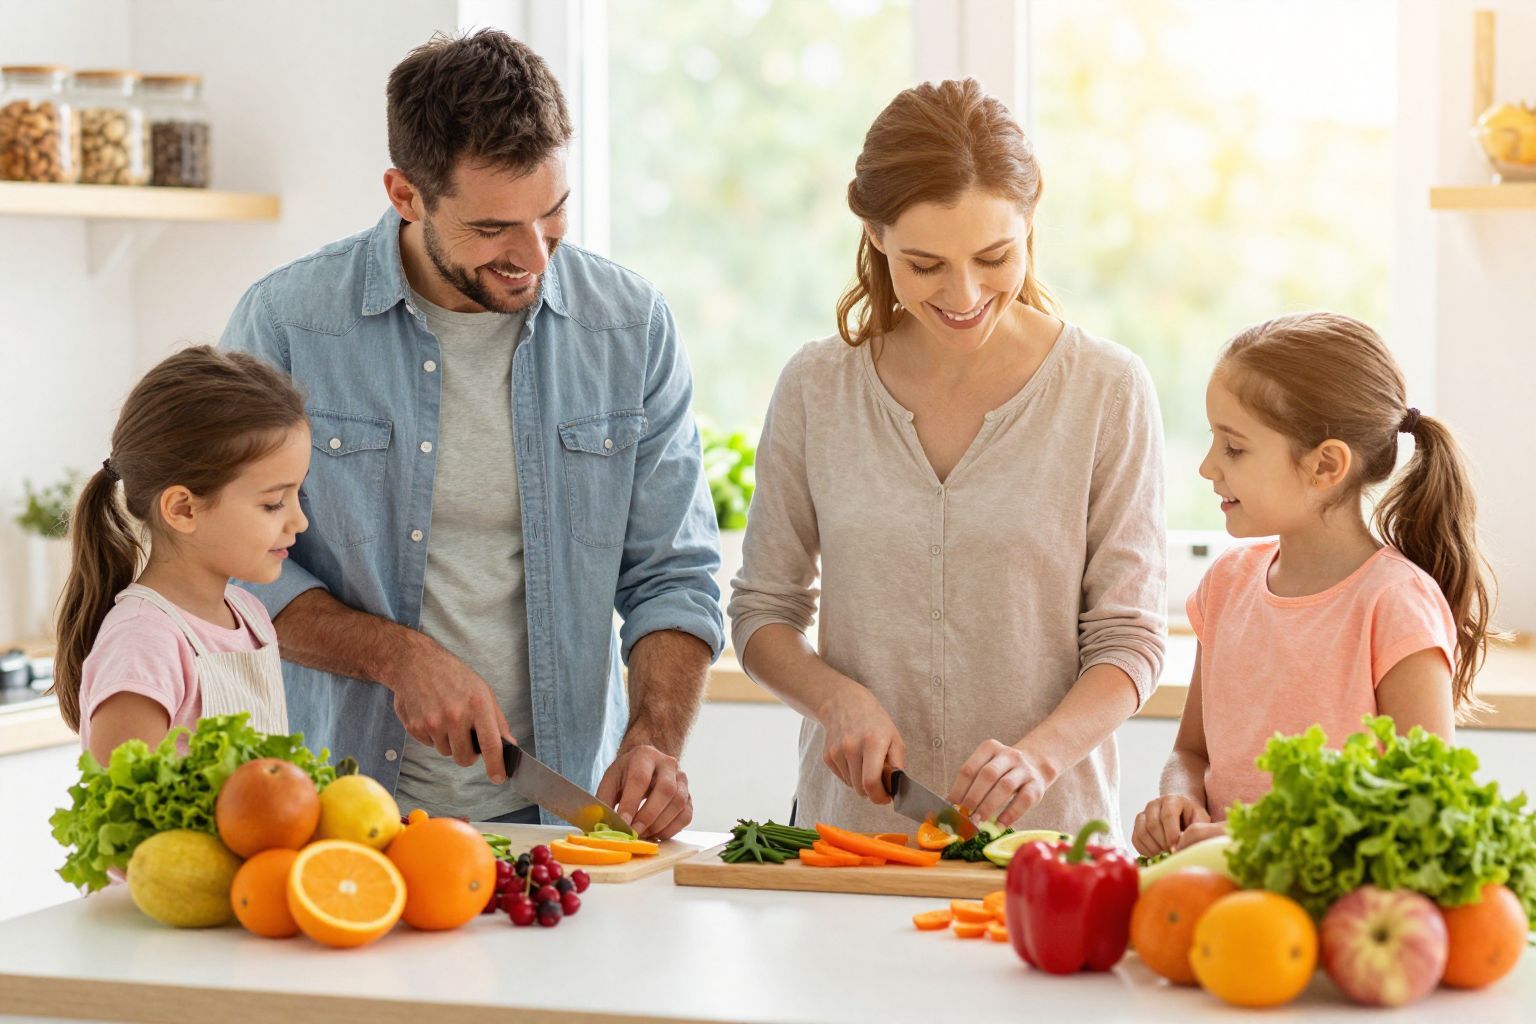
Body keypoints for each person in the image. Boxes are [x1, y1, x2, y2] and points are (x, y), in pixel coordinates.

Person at [220, 30, 722, 838]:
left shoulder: (630, 328)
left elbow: (674, 573)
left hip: (564, 818)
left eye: (552, 212)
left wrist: (653, 739)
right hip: (338, 814)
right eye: (493, 227)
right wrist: (398, 657)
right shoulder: (287, 325)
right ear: (405, 194)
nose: (533, 255)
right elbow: (230, 568)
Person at [728, 79, 1167, 838]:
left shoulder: (1107, 390)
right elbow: (763, 611)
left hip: (1044, 848)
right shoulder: (816, 387)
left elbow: (1130, 639)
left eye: (995, 256)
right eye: (925, 264)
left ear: (1031, 221)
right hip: (852, 844)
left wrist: (1039, 756)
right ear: (875, 234)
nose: (963, 294)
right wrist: (833, 697)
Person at [1132, 311, 1498, 856]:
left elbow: (1428, 809)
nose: (1208, 467)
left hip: (1336, 915)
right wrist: (1175, 798)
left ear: (1326, 465)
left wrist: (1261, 839)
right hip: (1225, 896)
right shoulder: (1226, 586)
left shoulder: (1394, 605)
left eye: (1234, 447)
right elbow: (1192, 753)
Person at [52, 346, 309, 765]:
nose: (299, 521)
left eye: (299, 493)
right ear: (183, 509)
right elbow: (121, 818)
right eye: (273, 503)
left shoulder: (249, 616)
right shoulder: (144, 641)